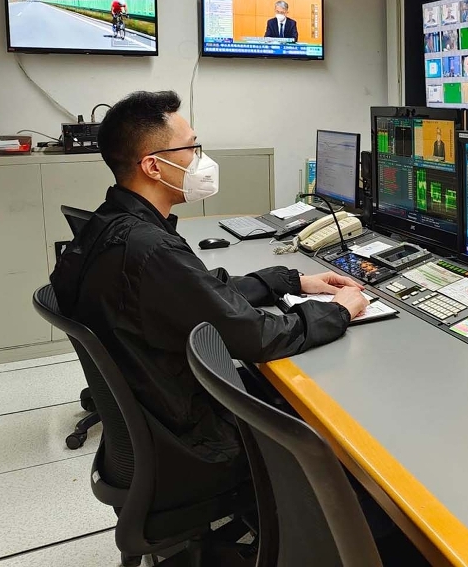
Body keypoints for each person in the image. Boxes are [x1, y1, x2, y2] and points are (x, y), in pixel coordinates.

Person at [50, 91, 368, 515]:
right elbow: (256, 337)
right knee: (335, 426)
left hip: (159, 421)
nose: (201, 159)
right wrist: (339, 310)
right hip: (199, 444)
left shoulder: (113, 224)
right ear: (153, 166)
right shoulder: (150, 249)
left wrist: (289, 280)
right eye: (191, 148)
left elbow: (196, 291)